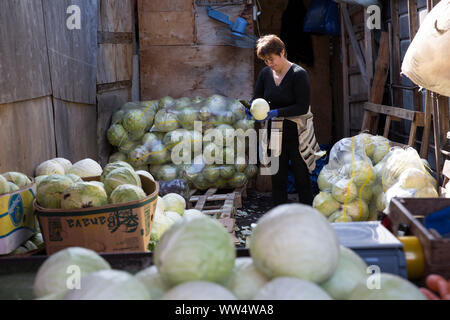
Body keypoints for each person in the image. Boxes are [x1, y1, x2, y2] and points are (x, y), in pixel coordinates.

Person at [247, 34, 323, 207]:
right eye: (265, 60)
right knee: (278, 178)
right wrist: (251, 108)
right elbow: (257, 97)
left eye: (271, 59)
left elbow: (302, 107)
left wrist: (276, 113)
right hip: (274, 132)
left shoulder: (299, 74)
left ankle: (307, 215)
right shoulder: (265, 74)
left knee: (301, 177)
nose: (269, 64)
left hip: (297, 133)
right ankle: (279, 216)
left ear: (282, 53)